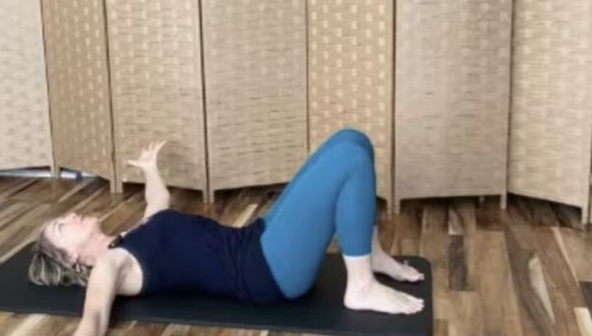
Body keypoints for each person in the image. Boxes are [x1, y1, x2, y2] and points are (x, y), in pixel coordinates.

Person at [30, 130, 425, 336]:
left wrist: (150, 169)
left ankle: (369, 253)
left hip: (257, 239)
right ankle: (360, 286)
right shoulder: (109, 267)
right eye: (62, 226)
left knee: (351, 139)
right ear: (71, 259)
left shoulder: (131, 238)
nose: (73, 213)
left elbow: (157, 204)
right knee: (349, 159)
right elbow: (93, 321)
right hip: (265, 271)